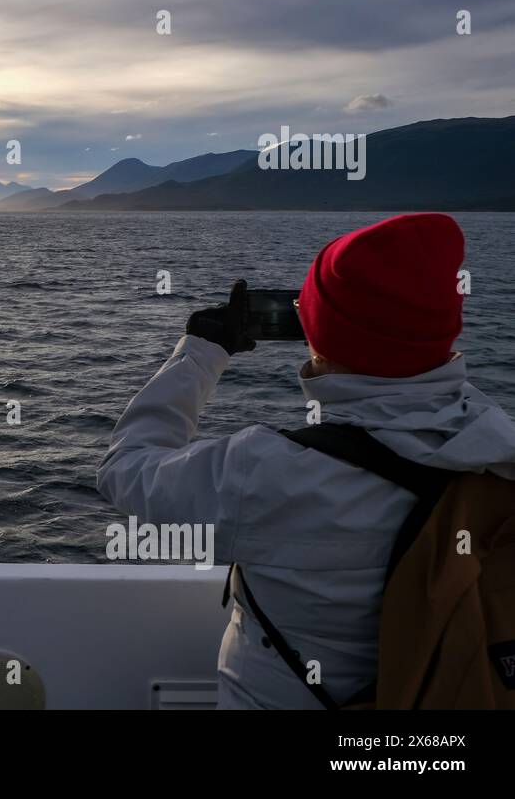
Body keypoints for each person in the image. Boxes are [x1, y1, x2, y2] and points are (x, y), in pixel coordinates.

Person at [96, 212, 515, 709]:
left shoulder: (267, 472)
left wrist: (200, 354)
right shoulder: (498, 449)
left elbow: (126, 469)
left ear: (319, 337)